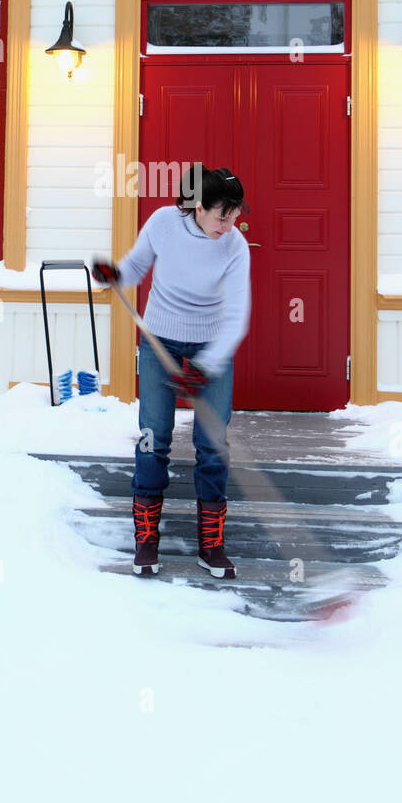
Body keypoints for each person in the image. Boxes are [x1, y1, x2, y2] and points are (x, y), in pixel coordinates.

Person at [92, 163, 251, 579]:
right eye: (223, 214)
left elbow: (236, 317)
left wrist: (205, 366)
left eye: (236, 214)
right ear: (198, 207)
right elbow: (135, 267)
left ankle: (211, 545)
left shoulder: (235, 247)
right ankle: (146, 541)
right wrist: (114, 275)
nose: (231, 223)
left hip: (210, 342)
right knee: (153, 437)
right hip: (159, 337)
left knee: (213, 442)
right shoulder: (164, 223)